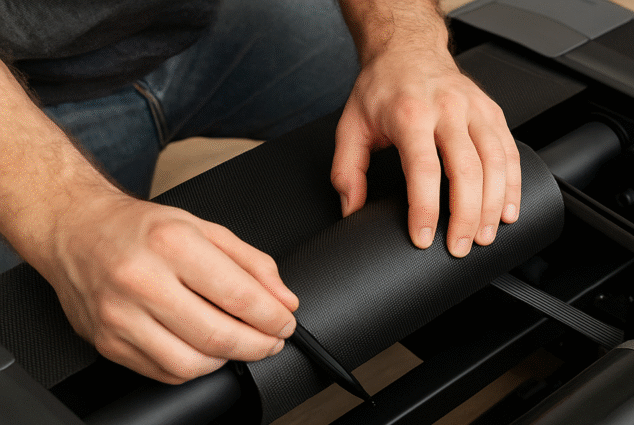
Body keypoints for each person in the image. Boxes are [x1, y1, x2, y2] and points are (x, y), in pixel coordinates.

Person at [0, 0, 521, 385]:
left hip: (197, 19)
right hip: (27, 86)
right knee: (44, 359)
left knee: (443, 127)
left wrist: (406, 45)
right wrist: (66, 213)